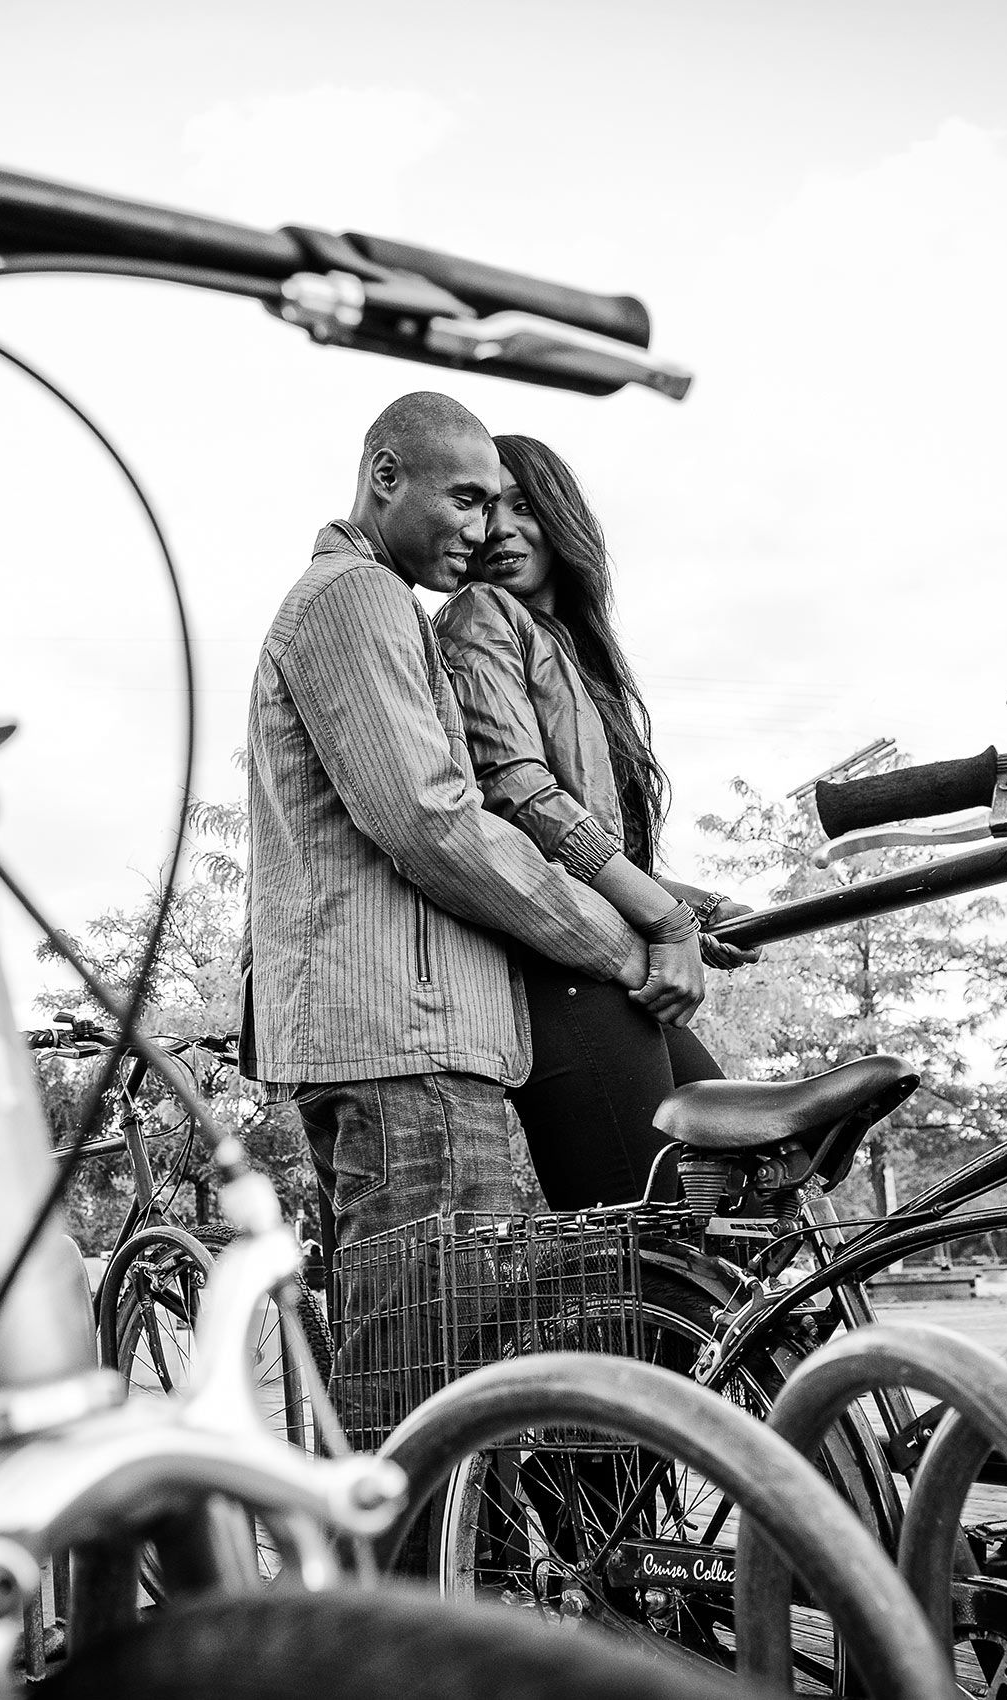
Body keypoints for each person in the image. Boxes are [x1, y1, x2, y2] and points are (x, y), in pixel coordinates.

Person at [241, 392, 703, 1258]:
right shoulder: (358, 597)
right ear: (385, 476)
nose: (484, 529)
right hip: (403, 1032)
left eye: (496, 505)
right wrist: (622, 937)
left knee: (453, 1318)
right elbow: (436, 822)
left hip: (419, 1028)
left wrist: (683, 907)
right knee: (433, 1326)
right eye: (468, 499)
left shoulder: (379, 601)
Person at [434, 435, 756, 1209]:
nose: (501, 528)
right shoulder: (481, 615)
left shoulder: (575, 651)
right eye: (486, 508)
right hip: (561, 969)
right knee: (647, 1234)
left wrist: (701, 905)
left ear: (561, 516)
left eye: (524, 505)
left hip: (609, 961)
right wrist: (669, 920)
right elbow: (523, 798)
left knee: (745, 1189)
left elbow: (595, 840)